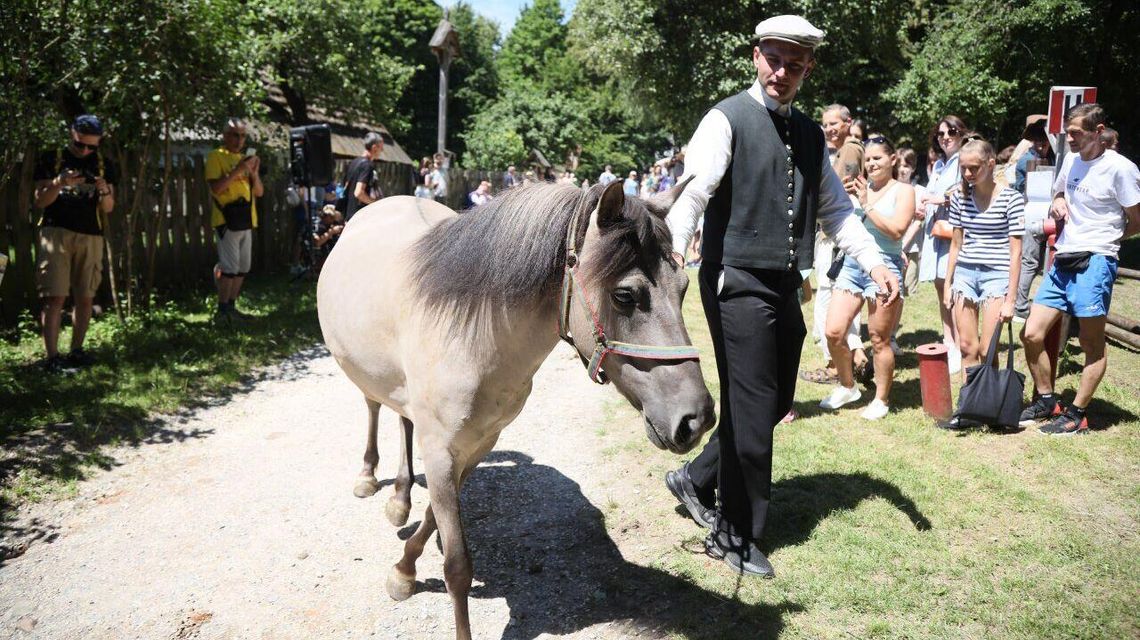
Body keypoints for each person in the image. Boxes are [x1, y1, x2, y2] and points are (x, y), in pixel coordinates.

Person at [664, 15, 898, 577]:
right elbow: (694, 192)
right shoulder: (726, 119)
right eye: (774, 59)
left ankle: (696, 479)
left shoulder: (813, 135)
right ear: (755, 55)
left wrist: (874, 261)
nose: (782, 72)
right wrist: (673, 243)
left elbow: (838, 212)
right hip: (734, 281)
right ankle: (735, 534)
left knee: (770, 403)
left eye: (795, 64)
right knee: (751, 403)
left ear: (808, 68)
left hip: (784, 283)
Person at [1019, 103, 1140, 435]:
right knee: (1031, 332)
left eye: (1076, 133)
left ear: (1098, 132)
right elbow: (1059, 190)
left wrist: (1107, 240)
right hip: (1064, 257)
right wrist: (1058, 199)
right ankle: (1047, 400)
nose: (1068, 138)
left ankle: (1077, 414)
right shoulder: (1070, 160)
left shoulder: (1121, 169)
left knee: (1091, 343)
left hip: (1096, 260)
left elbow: (1136, 220)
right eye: (1066, 132)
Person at [820, 136, 914, 419]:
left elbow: (897, 231)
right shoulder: (859, 188)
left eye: (878, 158)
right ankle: (848, 386)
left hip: (886, 268)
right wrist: (846, 198)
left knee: (878, 338)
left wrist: (867, 204)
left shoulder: (904, 191)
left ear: (893, 160)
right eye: (868, 159)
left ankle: (882, 400)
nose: (871, 164)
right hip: (852, 265)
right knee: (833, 332)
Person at [939, 139, 1024, 428]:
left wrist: (1011, 299)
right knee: (966, 346)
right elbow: (956, 244)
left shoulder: (1011, 199)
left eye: (974, 168)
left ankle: (991, 408)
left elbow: (1016, 252)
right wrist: (949, 283)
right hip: (965, 274)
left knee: (988, 349)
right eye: (963, 168)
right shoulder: (960, 197)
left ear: (991, 165)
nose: (967, 174)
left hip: (996, 277)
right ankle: (968, 410)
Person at [32, 114, 117, 370]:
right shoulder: (52, 158)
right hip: (56, 232)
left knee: (86, 296)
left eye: (92, 146)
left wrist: (103, 190)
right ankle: (52, 358)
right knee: (54, 297)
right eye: (81, 144)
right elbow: (40, 201)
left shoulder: (104, 164)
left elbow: (109, 207)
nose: (86, 151)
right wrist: (59, 183)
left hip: (91, 235)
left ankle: (76, 350)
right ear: (72, 133)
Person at [802, 103, 868, 386]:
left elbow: (837, 188)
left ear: (848, 122)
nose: (829, 129)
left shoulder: (851, 148)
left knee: (832, 296)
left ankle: (838, 366)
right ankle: (856, 357)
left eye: (834, 123)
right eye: (825, 124)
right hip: (833, 235)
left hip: (837, 236)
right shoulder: (842, 149)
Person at [918, 116, 969, 373]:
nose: (946, 137)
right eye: (940, 134)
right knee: (941, 291)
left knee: (955, 290)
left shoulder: (966, 159)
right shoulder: (939, 165)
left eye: (951, 132)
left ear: (961, 133)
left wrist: (938, 199)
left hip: (955, 234)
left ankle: (961, 346)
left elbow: (966, 190)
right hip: (935, 234)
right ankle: (948, 341)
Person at [205, 118, 262, 321]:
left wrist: (253, 173)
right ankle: (222, 311)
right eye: (234, 135)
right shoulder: (216, 157)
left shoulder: (246, 161)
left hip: (246, 220)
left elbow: (259, 192)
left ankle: (231, 307)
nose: (239, 140)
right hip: (226, 220)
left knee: (242, 268)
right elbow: (216, 189)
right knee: (229, 269)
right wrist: (238, 170)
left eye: (242, 135)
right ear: (225, 136)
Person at [1012, 118, 1054, 321]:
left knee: (1036, 262)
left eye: (1044, 141)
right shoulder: (1026, 161)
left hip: (1044, 216)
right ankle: (1019, 306)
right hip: (1029, 215)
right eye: (1038, 141)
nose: (1041, 145)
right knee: (1029, 262)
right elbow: (1021, 191)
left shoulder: (1053, 158)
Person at [343, 132, 384, 221]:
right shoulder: (367, 165)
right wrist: (376, 203)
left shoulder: (353, 162)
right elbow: (358, 193)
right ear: (374, 148)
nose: (382, 150)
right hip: (360, 217)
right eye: (381, 148)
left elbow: (346, 187)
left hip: (349, 215)